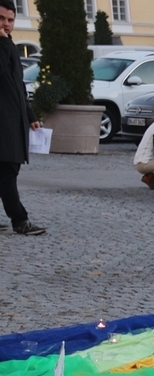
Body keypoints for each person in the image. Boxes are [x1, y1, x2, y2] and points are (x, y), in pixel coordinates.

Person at [0, 0, 45, 235]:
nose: (6, 24)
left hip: (11, 120)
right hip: (3, 122)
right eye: (1, 19)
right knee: (8, 171)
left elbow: (17, 85)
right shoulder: (4, 45)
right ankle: (20, 220)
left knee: (7, 170)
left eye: (10, 20)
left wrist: (29, 114)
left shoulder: (8, 45)